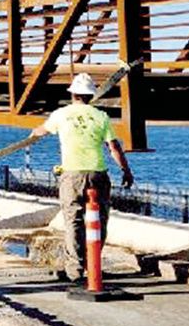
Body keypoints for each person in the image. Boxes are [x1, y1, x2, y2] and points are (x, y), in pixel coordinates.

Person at [29, 73, 134, 282]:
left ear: (73, 93)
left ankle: (75, 270)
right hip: (98, 173)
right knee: (99, 220)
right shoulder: (101, 116)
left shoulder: (61, 114)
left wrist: (34, 133)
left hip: (72, 174)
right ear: (90, 95)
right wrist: (126, 170)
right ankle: (92, 263)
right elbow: (114, 147)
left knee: (73, 221)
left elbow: (42, 131)